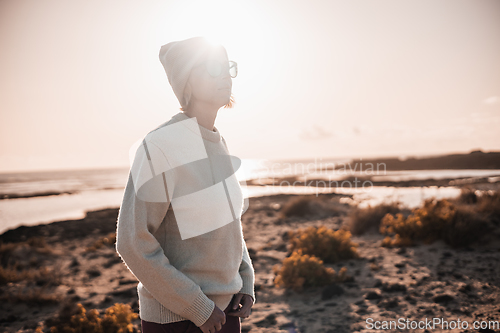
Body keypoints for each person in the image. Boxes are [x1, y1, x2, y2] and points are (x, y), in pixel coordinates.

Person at [115, 37, 255, 333]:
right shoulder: (160, 146)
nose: (225, 76)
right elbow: (132, 241)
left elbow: (229, 224)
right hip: (181, 320)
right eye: (213, 67)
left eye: (228, 67)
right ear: (186, 79)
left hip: (226, 312)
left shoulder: (218, 141)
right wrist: (198, 308)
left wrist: (245, 278)